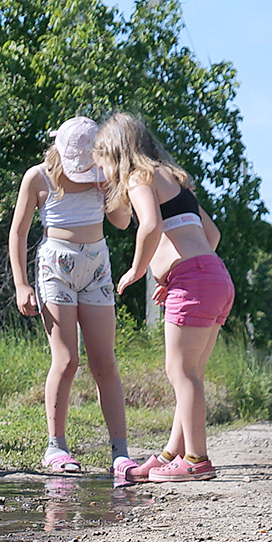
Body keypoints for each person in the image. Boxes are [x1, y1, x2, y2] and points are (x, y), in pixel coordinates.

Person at [97, 113, 232, 483]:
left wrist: (138, 270)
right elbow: (212, 234)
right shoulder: (173, 179)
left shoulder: (139, 177)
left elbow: (151, 226)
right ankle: (172, 453)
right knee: (191, 374)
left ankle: (197, 459)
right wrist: (175, 272)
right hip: (214, 276)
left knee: (181, 372)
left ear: (117, 154)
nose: (105, 175)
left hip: (195, 281)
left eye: (104, 164)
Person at [9, 118, 134, 477]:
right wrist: (21, 284)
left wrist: (113, 184)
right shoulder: (38, 177)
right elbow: (18, 233)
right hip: (55, 267)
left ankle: (119, 452)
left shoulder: (103, 175)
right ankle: (56, 446)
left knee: (104, 361)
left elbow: (122, 222)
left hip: (96, 266)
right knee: (66, 360)